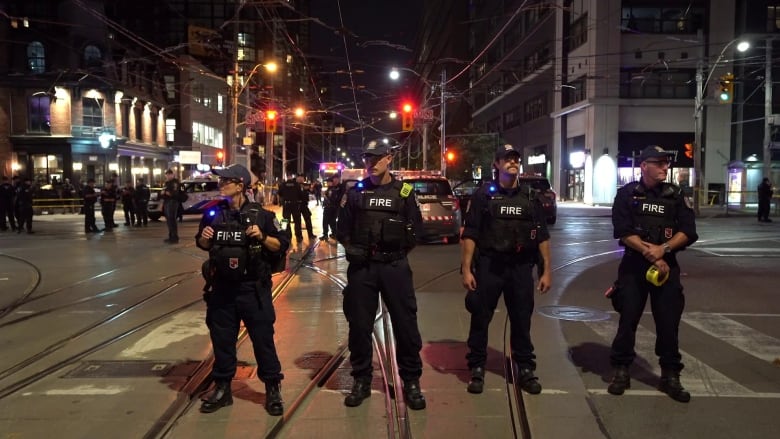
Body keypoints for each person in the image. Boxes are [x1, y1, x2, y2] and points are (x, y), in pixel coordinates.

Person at [336, 138, 427, 410]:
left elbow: (416, 231)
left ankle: (411, 381)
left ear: (389, 158)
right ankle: (361, 380)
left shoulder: (405, 192)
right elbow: (342, 230)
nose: (371, 163)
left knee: (405, 325)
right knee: (360, 326)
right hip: (363, 268)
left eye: (377, 158)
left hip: (394, 267)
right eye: (368, 158)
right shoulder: (355, 193)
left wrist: (395, 253)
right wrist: (352, 248)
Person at [195, 164, 290, 416]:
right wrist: (204, 238)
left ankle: (272, 388)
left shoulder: (263, 216)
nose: (221, 183)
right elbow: (202, 243)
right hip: (222, 288)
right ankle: (222, 388)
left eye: (226, 180)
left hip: (252, 289)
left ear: (240, 185)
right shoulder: (214, 213)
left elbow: (281, 244)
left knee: (263, 340)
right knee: (222, 340)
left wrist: (262, 237)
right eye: (220, 179)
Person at [607, 145, 698, 403]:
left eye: (666, 163)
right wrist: (651, 254)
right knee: (627, 322)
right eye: (658, 163)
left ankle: (670, 375)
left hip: (666, 268)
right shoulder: (627, 195)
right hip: (634, 268)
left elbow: (689, 231)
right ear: (643, 166)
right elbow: (623, 232)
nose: (664, 167)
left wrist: (663, 250)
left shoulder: (676, 195)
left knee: (668, 324)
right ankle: (621, 370)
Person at [459, 144, 552, 395]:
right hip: (490, 266)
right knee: (480, 317)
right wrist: (466, 269)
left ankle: (525, 368)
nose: (512, 162)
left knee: (522, 319)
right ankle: (477, 367)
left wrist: (546, 271)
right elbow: (471, 234)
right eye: (506, 159)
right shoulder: (483, 196)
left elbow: (542, 237)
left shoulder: (531, 198)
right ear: (496, 165)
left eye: (515, 159)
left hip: (521, 267)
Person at [277, 176, 303, 244]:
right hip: (295, 205)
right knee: (297, 221)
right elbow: (300, 194)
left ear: (287, 178)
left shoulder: (283, 184)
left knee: (285, 220)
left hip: (286, 205)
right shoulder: (297, 184)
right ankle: (299, 237)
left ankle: (288, 237)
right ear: (292, 178)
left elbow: (279, 193)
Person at [320, 175, 343, 240]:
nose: (327, 183)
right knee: (332, 222)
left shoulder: (332, 189)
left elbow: (332, 200)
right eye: (327, 182)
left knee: (325, 221)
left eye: (328, 182)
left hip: (330, 208)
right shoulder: (330, 189)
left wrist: (325, 196)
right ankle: (333, 234)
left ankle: (325, 235)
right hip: (331, 208)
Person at [161, 169, 181, 243]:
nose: (168, 176)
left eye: (169, 174)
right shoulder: (167, 183)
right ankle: (171, 236)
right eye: (167, 175)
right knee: (169, 220)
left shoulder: (175, 182)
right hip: (167, 202)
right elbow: (162, 193)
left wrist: (165, 192)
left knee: (172, 220)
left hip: (173, 202)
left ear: (173, 175)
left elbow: (173, 193)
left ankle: (175, 237)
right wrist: (164, 193)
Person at [296, 174, 315, 241]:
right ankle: (299, 237)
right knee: (298, 222)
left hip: (304, 205)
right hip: (297, 205)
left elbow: (312, 192)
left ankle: (311, 235)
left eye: (302, 178)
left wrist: (310, 188)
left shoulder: (306, 185)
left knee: (308, 220)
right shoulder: (295, 185)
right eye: (299, 178)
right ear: (297, 178)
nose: (301, 179)